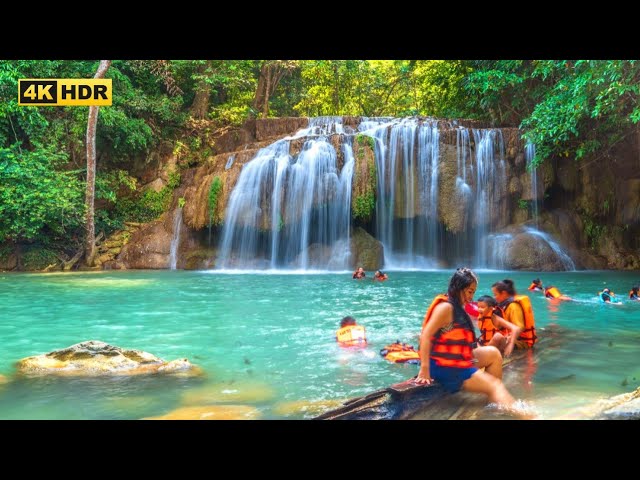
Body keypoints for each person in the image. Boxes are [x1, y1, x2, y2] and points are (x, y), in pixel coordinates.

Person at [415, 268, 520, 412]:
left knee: (494, 354)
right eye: (470, 291)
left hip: (457, 361)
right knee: (495, 386)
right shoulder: (445, 308)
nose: (472, 297)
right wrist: (424, 370)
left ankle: (491, 404)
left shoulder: (458, 308)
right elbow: (425, 336)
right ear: (458, 288)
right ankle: (529, 416)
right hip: (444, 366)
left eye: (473, 292)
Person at [491, 279, 537, 349]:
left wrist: (510, 339)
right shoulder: (505, 305)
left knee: (497, 338)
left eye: (495, 294)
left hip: (522, 342)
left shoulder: (513, 306)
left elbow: (520, 327)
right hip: (513, 338)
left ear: (504, 293)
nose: (494, 297)